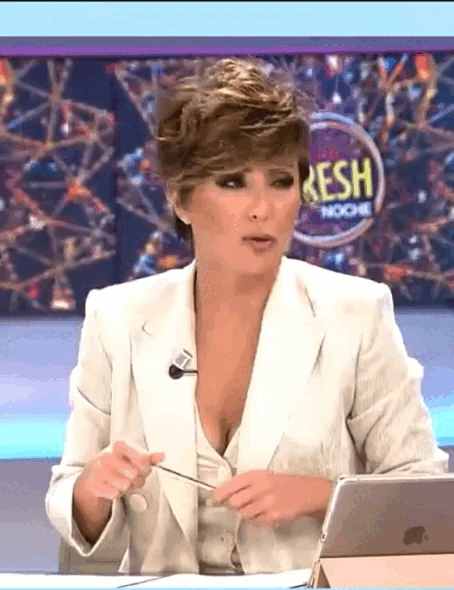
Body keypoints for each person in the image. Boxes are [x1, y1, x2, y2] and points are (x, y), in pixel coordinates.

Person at [45, 57, 448, 576]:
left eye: (280, 181)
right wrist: (95, 488)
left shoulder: (355, 314)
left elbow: (422, 496)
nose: (262, 208)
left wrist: (319, 495)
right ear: (181, 198)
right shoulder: (118, 318)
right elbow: (71, 495)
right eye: (233, 182)